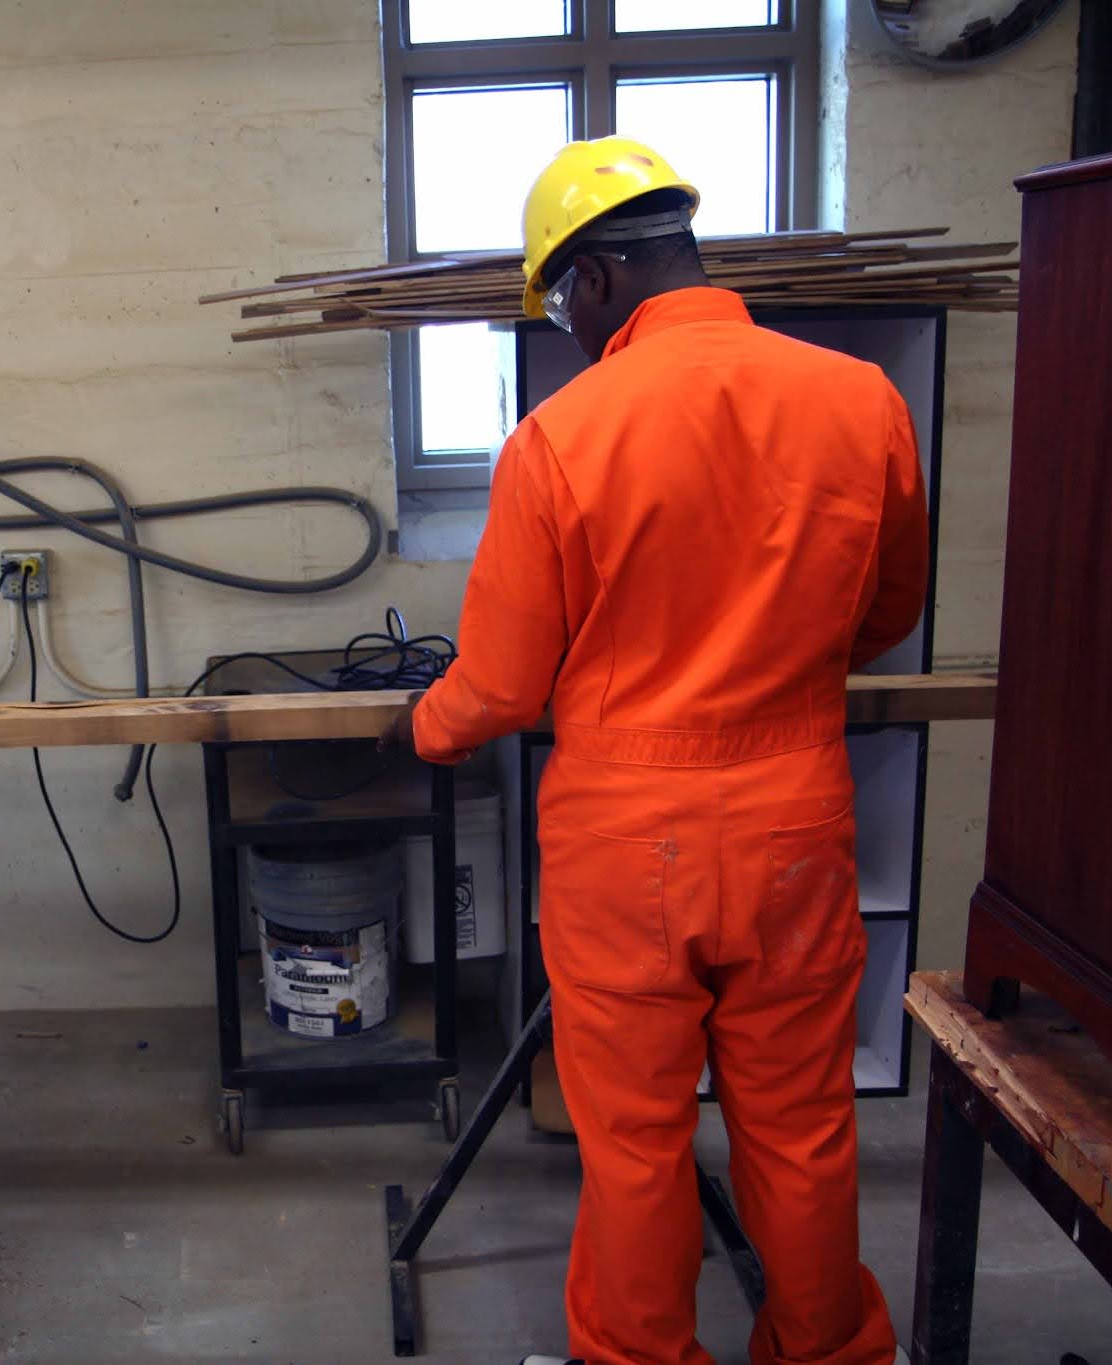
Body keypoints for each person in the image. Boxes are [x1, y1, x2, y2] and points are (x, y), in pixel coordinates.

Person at [387, 136, 926, 1365]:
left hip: (626, 845)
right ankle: (833, 1352)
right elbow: (883, 614)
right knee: (798, 1124)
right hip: (796, 821)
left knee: (633, 1140)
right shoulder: (860, 401)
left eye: (560, 306)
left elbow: (503, 682)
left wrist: (421, 723)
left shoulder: (560, 438)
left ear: (589, 283)